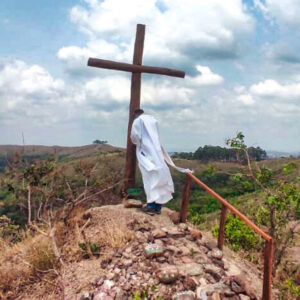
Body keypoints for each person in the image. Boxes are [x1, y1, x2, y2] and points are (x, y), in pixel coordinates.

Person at [130, 109, 192, 215]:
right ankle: (158, 207)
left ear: (135, 114)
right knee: (159, 179)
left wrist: (136, 143)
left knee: (149, 181)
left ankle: (150, 206)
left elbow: (135, 137)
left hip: (146, 153)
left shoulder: (138, 121)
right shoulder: (153, 120)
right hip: (157, 153)